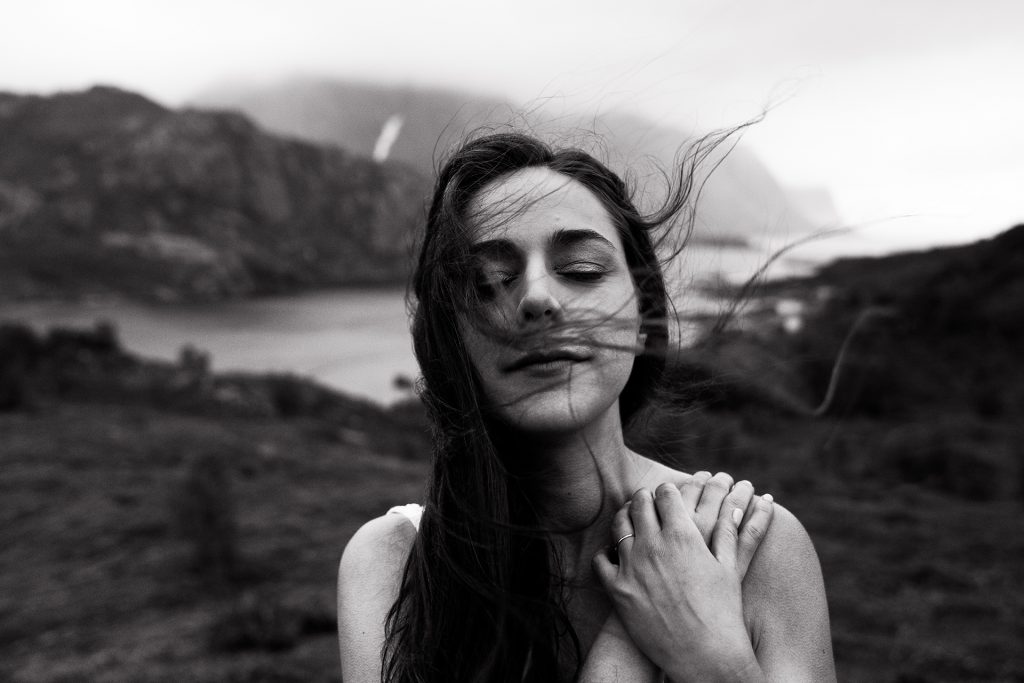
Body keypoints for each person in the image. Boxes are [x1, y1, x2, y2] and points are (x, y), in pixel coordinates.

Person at [337, 132, 836, 682]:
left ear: (642, 311)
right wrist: (633, 647)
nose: (536, 298)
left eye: (581, 269)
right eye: (488, 282)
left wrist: (713, 661)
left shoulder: (750, 544)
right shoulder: (394, 562)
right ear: (450, 336)